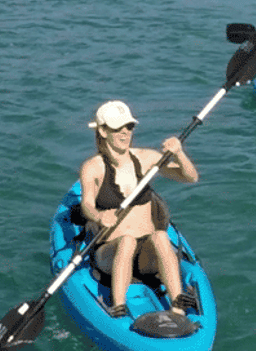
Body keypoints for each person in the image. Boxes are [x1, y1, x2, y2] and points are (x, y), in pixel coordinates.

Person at [78, 100, 198, 317]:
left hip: (146, 257)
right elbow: (86, 203)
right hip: (111, 254)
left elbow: (190, 177)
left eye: (129, 127)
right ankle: (118, 307)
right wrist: (99, 215)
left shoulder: (146, 158)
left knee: (161, 236)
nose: (125, 133)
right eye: (118, 129)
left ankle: (178, 305)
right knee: (127, 240)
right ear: (103, 131)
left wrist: (179, 153)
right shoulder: (92, 167)